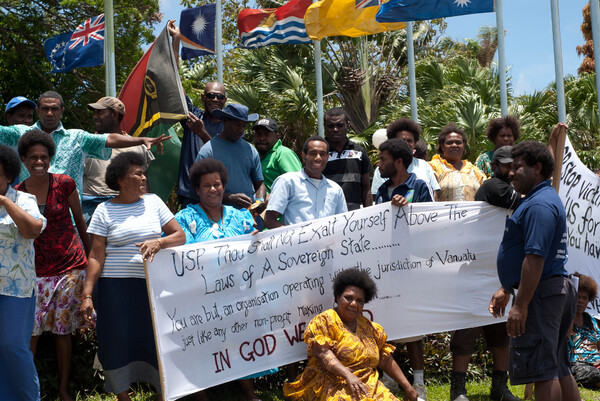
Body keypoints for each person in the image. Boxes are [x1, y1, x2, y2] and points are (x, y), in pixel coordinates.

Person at [81, 152, 186, 401]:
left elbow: (179, 236)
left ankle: (163, 394)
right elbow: (95, 256)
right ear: (120, 180)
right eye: (137, 173)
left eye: (143, 172)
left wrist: (159, 242)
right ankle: (123, 397)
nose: (143, 177)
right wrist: (87, 294)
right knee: (116, 340)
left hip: (152, 288)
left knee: (156, 339)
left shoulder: (154, 202)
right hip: (114, 290)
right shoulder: (103, 211)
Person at [489, 140, 580, 401]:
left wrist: (522, 305)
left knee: (543, 371)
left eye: (518, 167)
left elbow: (535, 257)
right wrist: (507, 288)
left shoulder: (539, 206)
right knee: (557, 366)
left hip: (542, 293)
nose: (511, 173)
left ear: (537, 168)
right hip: (551, 289)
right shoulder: (540, 200)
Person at [175, 158, 272, 400]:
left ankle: (248, 392)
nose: (213, 190)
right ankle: (202, 395)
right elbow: (183, 252)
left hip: (238, 293)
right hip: (201, 295)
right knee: (203, 343)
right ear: (197, 190)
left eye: (217, 184)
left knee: (241, 336)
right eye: (206, 186)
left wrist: (256, 238)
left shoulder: (240, 216)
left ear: (223, 186)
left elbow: (256, 245)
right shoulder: (185, 218)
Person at [14, 129, 91, 401]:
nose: (39, 161)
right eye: (33, 157)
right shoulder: (17, 194)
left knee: (62, 332)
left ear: (50, 157)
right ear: (23, 160)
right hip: (34, 272)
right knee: (30, 335)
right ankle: (25, 391)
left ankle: (63, 389)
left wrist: (91, 259)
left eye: (44, 156)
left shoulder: (65, 183)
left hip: (70, 267)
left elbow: (80, 222)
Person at [447, 146, 521, 401]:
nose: (511, 170)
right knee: (467, 330)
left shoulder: (518, 188)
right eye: (506, 165)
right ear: (496, 165)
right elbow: (521, 203)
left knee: (501, 333)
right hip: (475, 271)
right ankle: (458, 389)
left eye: (515, 165)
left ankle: (499, 387)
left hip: (500, 274)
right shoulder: (493, 187)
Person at [283, 267, 418, 401]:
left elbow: (385, 359)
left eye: (359, 301)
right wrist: (348, 375)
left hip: (368, 384)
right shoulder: (324, 321)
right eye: (348, 298)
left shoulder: (370, 328)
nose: (354, 304)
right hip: (331, 382)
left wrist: (407, 387)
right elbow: (323, 354)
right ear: (337, 297)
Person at [0, 91, 170, 195]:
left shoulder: (77, 137)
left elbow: (109, 139)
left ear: (62, 111)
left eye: (54, 109)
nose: (50, 113)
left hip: (68, 219)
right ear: (38, 111)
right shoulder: (20, 133)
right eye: (45, 109)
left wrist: (141, 139)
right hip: (28, 214)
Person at [374, 138, 431, 401]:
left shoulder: (418, 186)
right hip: (385, 268)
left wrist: (410, 209)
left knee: (413, 326)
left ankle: (418, 382)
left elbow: (432, 219)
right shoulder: (382, 190)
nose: (379, 163)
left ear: (398, 161)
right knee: (387, 326)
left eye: (383, 159)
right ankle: (389, 380)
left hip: (411, 268)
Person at [0, 145, 46, 401]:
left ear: (8, 176)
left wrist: (5, 201)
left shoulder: (24, 199)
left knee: (14, 347)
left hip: (15, 287)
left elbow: (32, 231)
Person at [168, 20, 226, 208]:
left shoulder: (229, 127)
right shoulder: (193, 117)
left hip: (217, 196)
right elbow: (174, 81)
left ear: (225, 100)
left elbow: (225, 158)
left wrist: (202, 134)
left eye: (219, 97)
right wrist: (176, 41)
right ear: (202, 97)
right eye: (210, 96)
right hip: (189, 195)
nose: (215, 100)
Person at [82, 96, 154, 224]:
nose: (95, 117)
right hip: (92, 208)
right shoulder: (87, 144)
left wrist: (147, 210)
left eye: (100, 112)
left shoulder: (138, 146)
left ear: (114, 114)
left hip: (128, 208)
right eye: (94, 113)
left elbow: (143, 184)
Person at [264, 136, 347, 229]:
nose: (318, 158)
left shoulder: (335, 189)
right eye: (313, 153)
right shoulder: (287, 182)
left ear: (327, 157)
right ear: (304, 156)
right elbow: (269, 220)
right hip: (295, 242)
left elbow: (342, 224)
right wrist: (295, 236)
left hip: (327, 243)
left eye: (322, 154)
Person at [195, 103, 266, 210]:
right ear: (224, 121)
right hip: (219, 217)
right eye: (237, 125)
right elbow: (199, 188)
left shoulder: (251, 150)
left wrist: (260, 201)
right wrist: (229, 198)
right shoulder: (208, 151)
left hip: (248, 216)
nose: (241, 130)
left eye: (244, 126)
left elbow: (260, 183)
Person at [371, 118, 440, 201]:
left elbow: (433, 195)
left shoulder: (424, 166)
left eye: (410, 141)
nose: (406, 144)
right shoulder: (382, 171)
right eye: (402, 140)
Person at [322, 107, 372, 210]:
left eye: (340, 125)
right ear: (325, 127)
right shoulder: (319, 154)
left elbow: (366, 188)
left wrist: (369, 214)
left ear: (347, 125)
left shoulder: (359, 152)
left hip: (354, 214)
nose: (335, 129)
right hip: (327, 215)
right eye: (331, 126)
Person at [428, 123, 486, 202]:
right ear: (442, 146)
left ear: (464, 146)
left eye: (458, 142)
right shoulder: (432, 167)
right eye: (449, 142)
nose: (454, 145)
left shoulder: (475, 171)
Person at [252, 117, 301, 193]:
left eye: (266, 134)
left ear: (276, 136)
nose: (262, 138)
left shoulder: (283, 153)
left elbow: (297, 184)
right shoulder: (255, 155)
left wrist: (273, 196)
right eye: (258, 134)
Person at [569, 273, 600, 389]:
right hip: (575, 364)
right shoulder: (564, 318)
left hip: (596, 364)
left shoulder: (591, 320)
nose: (581, 301)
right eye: (578, 297)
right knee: (594, 374)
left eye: (585, 298)